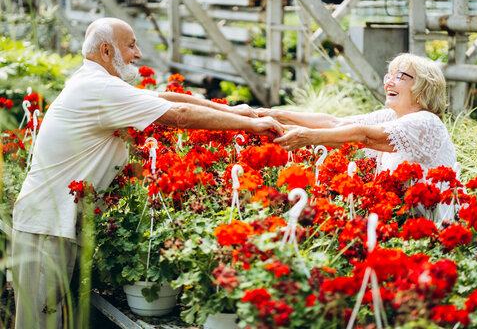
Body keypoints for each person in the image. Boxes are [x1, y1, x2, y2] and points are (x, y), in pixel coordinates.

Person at [10, 17, 283, 328]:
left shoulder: (96, 82)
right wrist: (251, 124)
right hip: (44, 227)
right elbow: (178, 116)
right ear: (106, 50)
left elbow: (163, 98)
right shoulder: (98, 88)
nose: (138, 53)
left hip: (49, 224)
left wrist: (230, 110)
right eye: (131, 45)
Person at [258, 53, 457, 220]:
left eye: (400, 76)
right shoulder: (393, 116)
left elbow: (365, 136)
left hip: (438, 225)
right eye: (389, 76)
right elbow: (335, 123)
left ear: (423, 89)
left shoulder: (426, 122)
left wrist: (309, 136)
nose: (389, 82)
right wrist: (276, 115)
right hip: (408, 219)